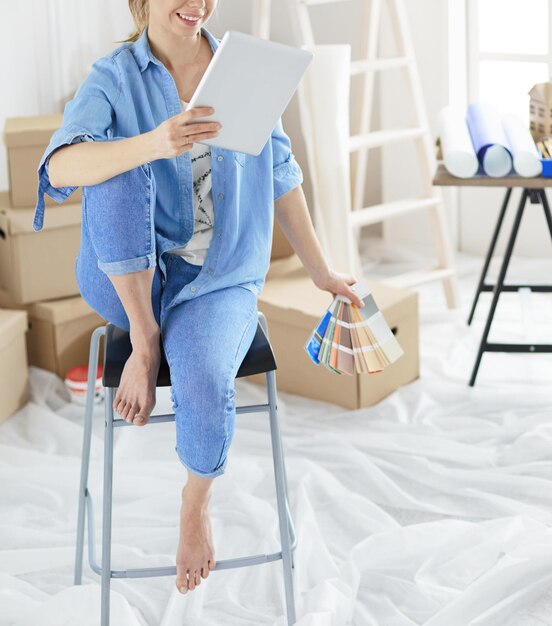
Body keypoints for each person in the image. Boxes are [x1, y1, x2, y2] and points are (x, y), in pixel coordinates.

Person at [33, 0, 364, 596]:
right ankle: (144, 337)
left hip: (216, 280)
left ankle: (195, 505)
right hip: (125, 278)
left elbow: (281, 174)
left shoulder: (243, 69)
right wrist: (152, 144)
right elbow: (59, 167)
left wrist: (321, 272)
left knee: (207, 376)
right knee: (112, 167)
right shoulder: (115, 76)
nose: (197, 4)